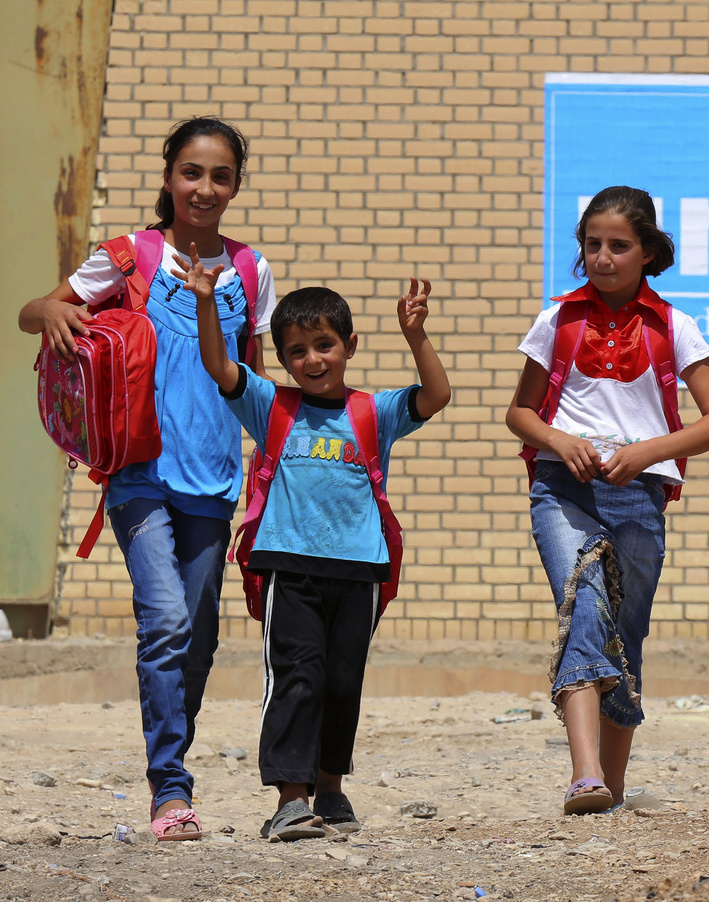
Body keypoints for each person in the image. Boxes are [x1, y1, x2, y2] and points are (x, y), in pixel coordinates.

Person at [18, 117, 276, 841]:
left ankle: (173, 757)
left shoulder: (251, 270)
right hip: (139, 473)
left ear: (235, 186)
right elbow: (30, 310)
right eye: (191, 172)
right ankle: (171, 787)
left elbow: (250, 375)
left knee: (196, 638)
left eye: (220, 176)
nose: (205, 187)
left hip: (215, 479)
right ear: (169, 177)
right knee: (163, 621)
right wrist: (56, 315)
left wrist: (268, 461)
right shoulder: (130, 256)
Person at [182, 256, 451, 841]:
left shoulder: (372, 412)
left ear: (349, 345)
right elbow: (217, 364)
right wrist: (206, 301)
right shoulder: (271, 405)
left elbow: (436, 394)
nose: (312, 360)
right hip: (288, 565)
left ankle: (330, 788)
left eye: (324, 345)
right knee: (296, 677)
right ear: (282, 359)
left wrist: (416, 336)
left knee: (341, 682)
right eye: (297, 351)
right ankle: (291, 798)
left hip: (360, 568)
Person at [505, 186, 709, 815]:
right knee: (583, 605)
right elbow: (520, 412)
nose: (603, 256)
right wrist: (558, 439)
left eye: (619, 245)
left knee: (624, 635)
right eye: (592, 244)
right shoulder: (556, 321)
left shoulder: (674, 327)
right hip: (563, 489)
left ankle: (612, 783)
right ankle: (583, 774)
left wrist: (645, 453)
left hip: (639, 495)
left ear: (646, 252)